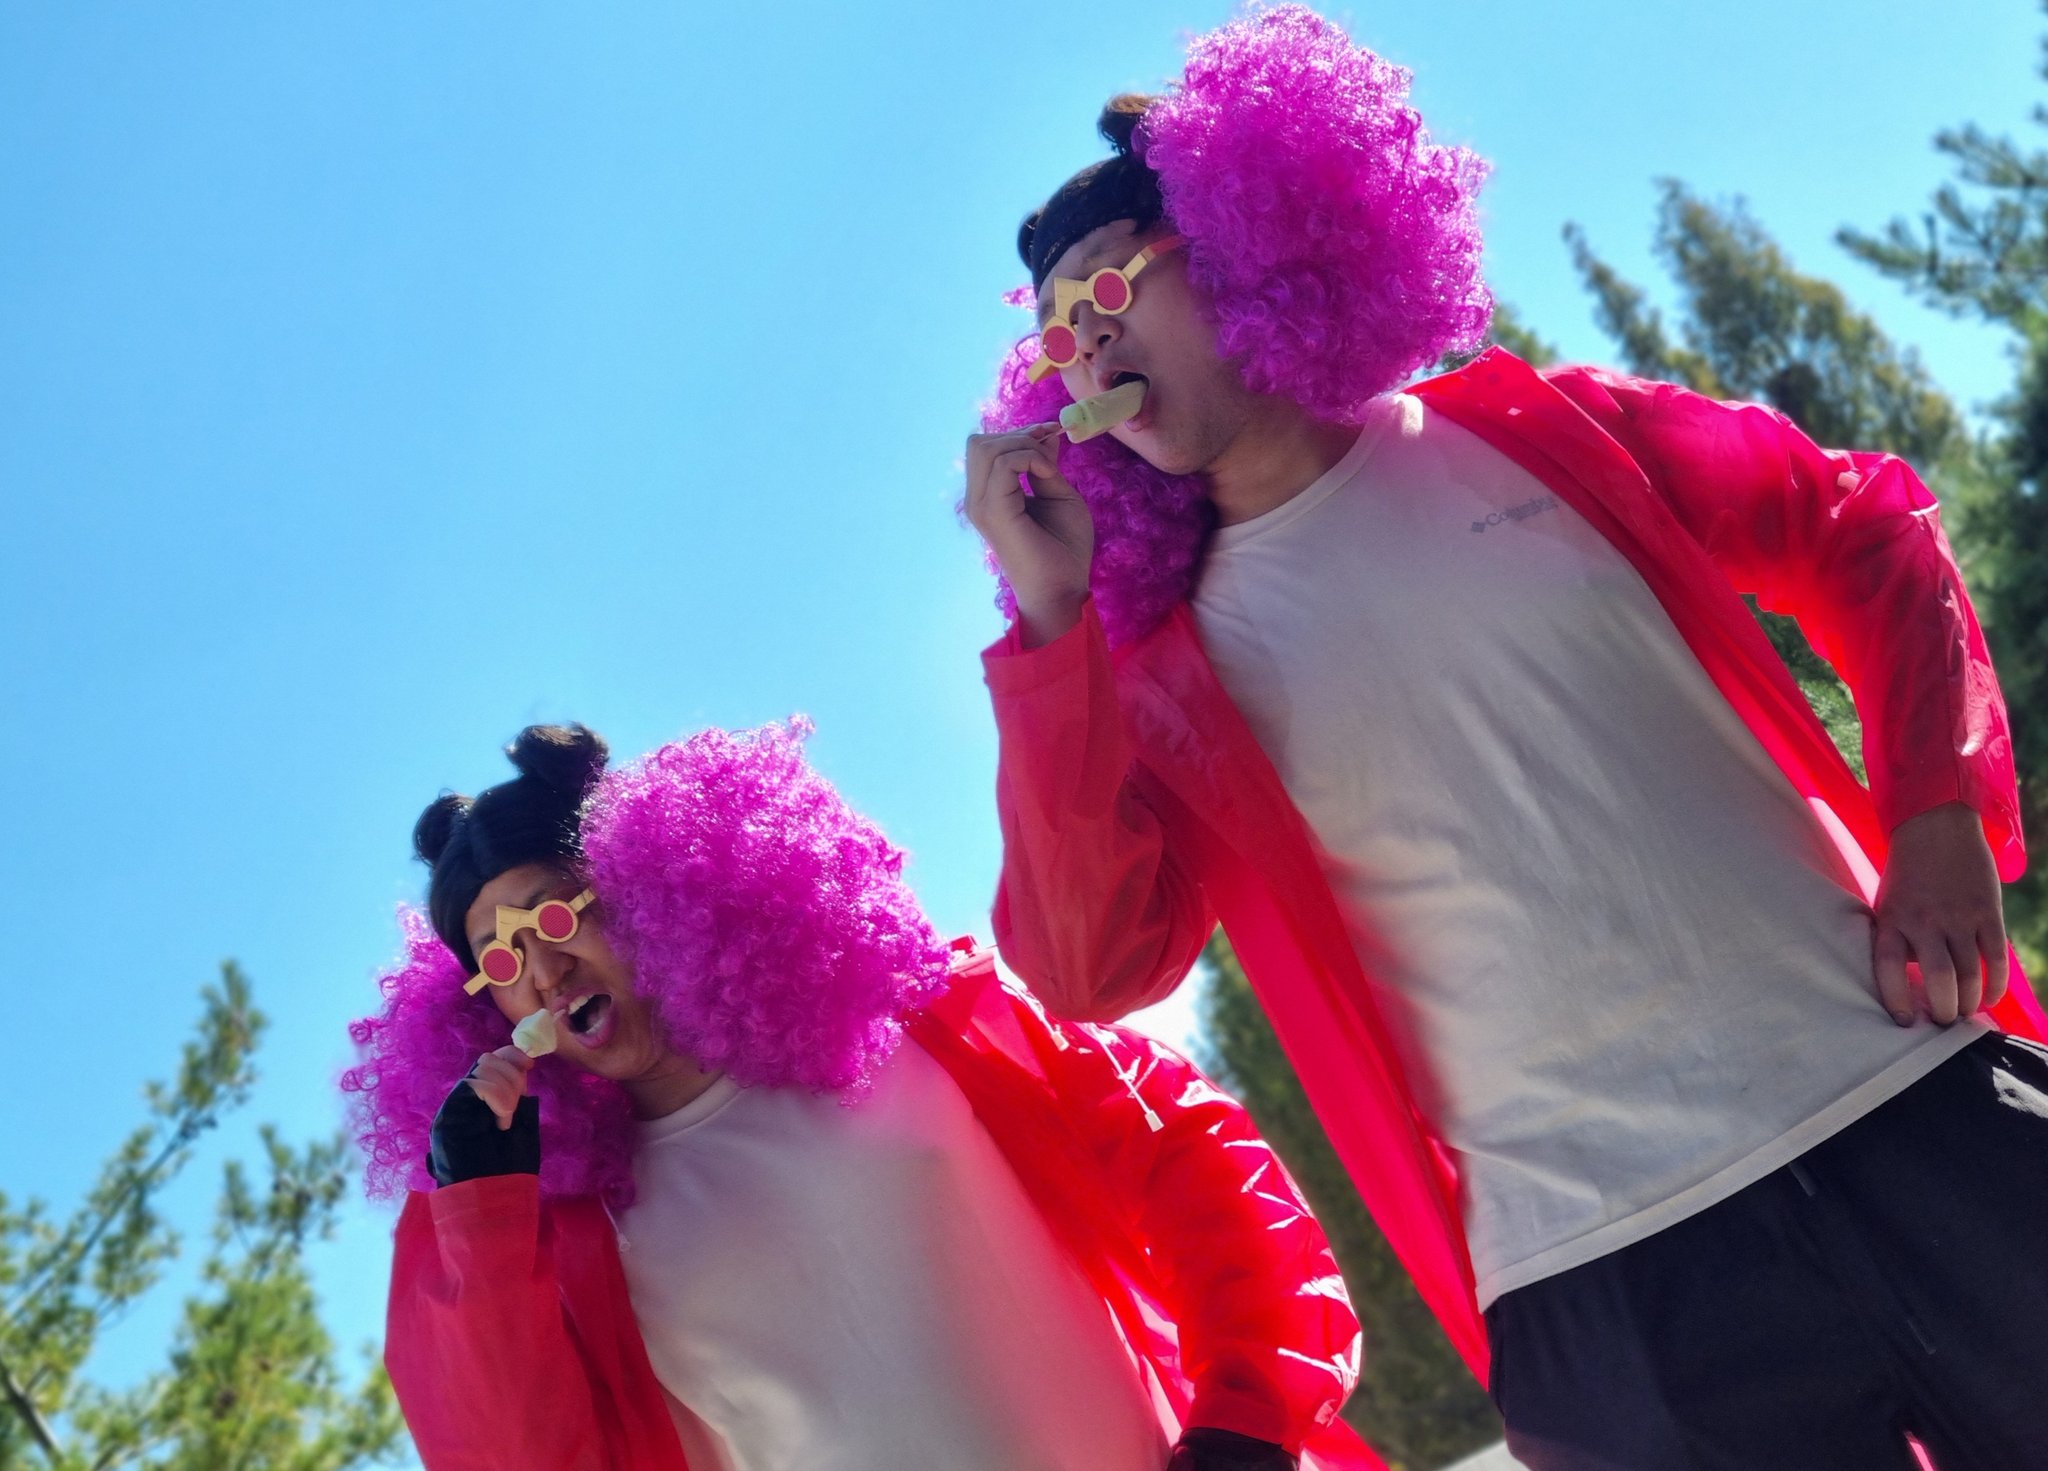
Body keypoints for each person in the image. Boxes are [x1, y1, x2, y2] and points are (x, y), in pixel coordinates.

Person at [961, 7, 2048, 1467]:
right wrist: (1050, 631)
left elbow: (1860, 525)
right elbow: (1092, 966)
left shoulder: (1543, 430)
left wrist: (1934, 812)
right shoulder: (1148, 682)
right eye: (1056, 326)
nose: (1084, 336)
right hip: (1608, 1286)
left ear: (1243, 234)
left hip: (1909, 1094)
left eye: (1110, 282)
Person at [342, 720, 1377, 1471]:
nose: (538, 971)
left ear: (648, 882)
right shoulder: (567, 1238)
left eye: (553, 916)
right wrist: (479, 1218)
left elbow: (1188, 1157)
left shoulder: (924, 1022)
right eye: (497, 956)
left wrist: (1248, 1418)